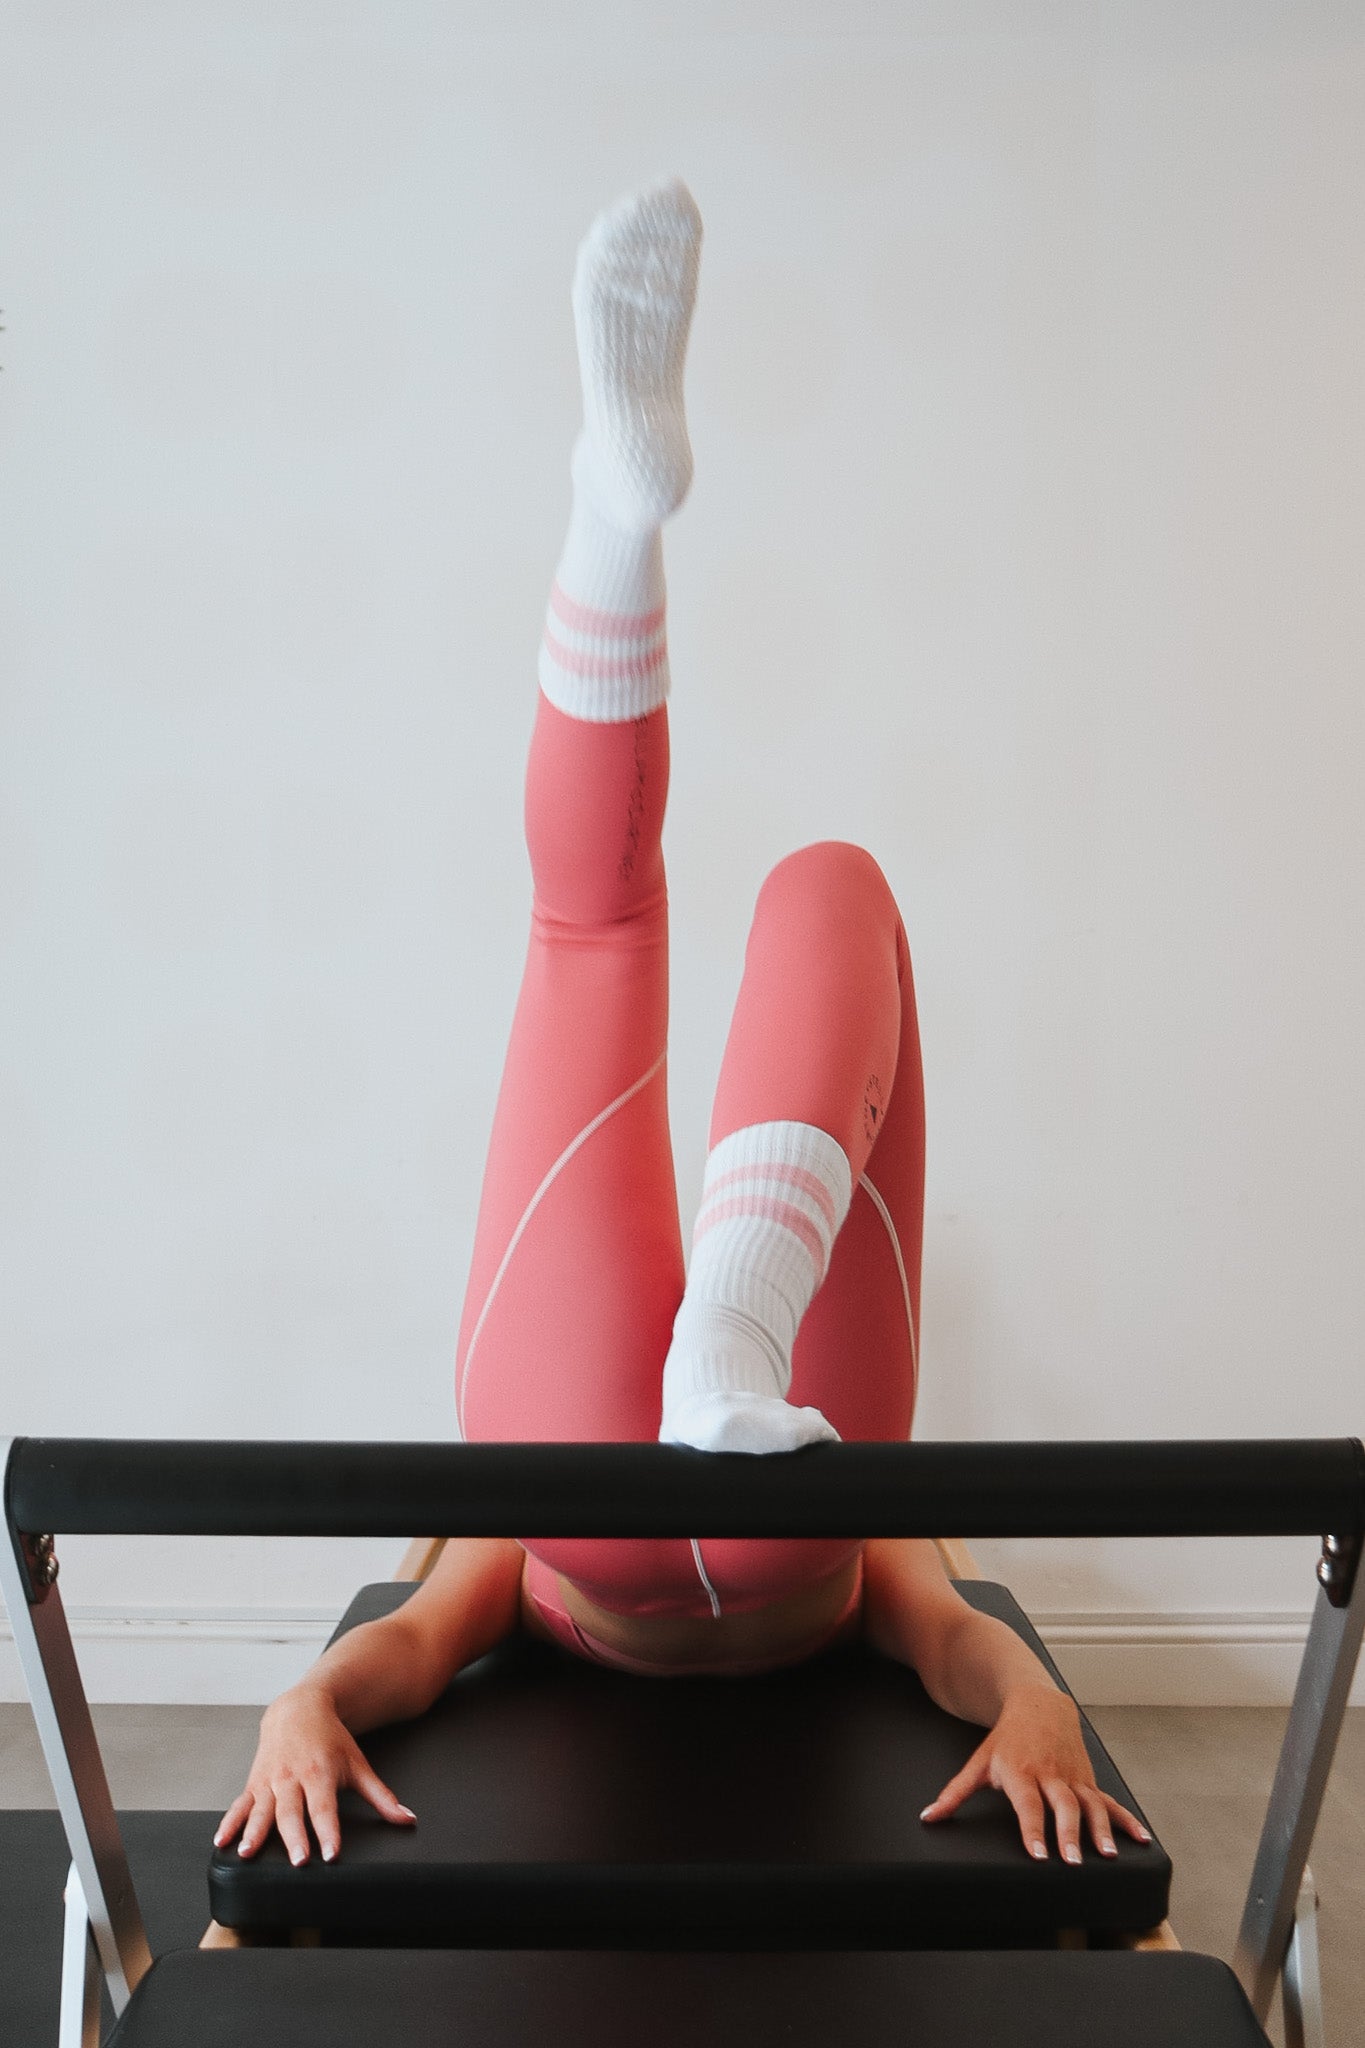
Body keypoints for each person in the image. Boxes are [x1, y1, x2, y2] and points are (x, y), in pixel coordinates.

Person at [216, 178, 1149, 1876]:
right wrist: (1036, 1709)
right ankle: (727, 1337)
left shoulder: (518, 1554)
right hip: (791, 1483)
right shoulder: (847, 1540)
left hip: (605, 1470)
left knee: (599, 934)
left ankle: (610, 514)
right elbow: (948, 1635)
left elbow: (405, 1650)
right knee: (816, 886)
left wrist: (306, 1697)